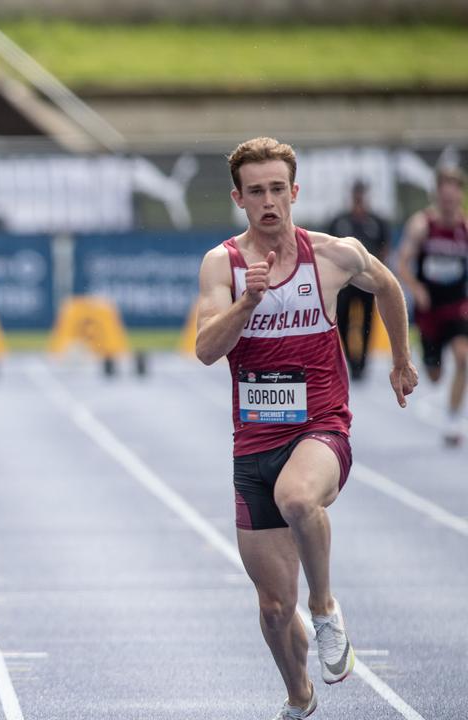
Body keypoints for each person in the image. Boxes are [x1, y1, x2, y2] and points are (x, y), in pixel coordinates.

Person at [195, 137, 417, 720]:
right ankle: (300, 696)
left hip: (322, 427)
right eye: (256, 192)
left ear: (294, 193)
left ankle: (324, 608)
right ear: (239, 198)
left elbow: (388, 286)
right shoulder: (224, 264)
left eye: (277, 190)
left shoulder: (332, 254)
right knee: (271, 607)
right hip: (254, 444)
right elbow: (204, 350)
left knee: (297, 497)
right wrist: (246, 305)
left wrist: (400, 359)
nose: (269, 202)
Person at [396, 166, 468, 446]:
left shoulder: (464, 228)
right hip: (430, 308)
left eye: (454, 195)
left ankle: (452, 419)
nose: (449, 201)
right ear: (437, 194)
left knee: (463, 357)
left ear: (460, 195)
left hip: (457, 303)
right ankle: (436, 368)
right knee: (435, 375)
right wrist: (416, 288)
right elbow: (402, 262)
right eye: (444, 195)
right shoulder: (422, 224)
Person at [326, 180, 390, 380]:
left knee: (366, 321)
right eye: (356, 195)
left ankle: (362, 361)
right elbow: (328, 248)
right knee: (343, 320)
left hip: (368, 280)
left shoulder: (376, 222)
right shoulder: (339, 221)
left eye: (362, 195)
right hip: (345, 282)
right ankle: (350, 359)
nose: (359, 199)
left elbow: (384, 249)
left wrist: (380, 275)